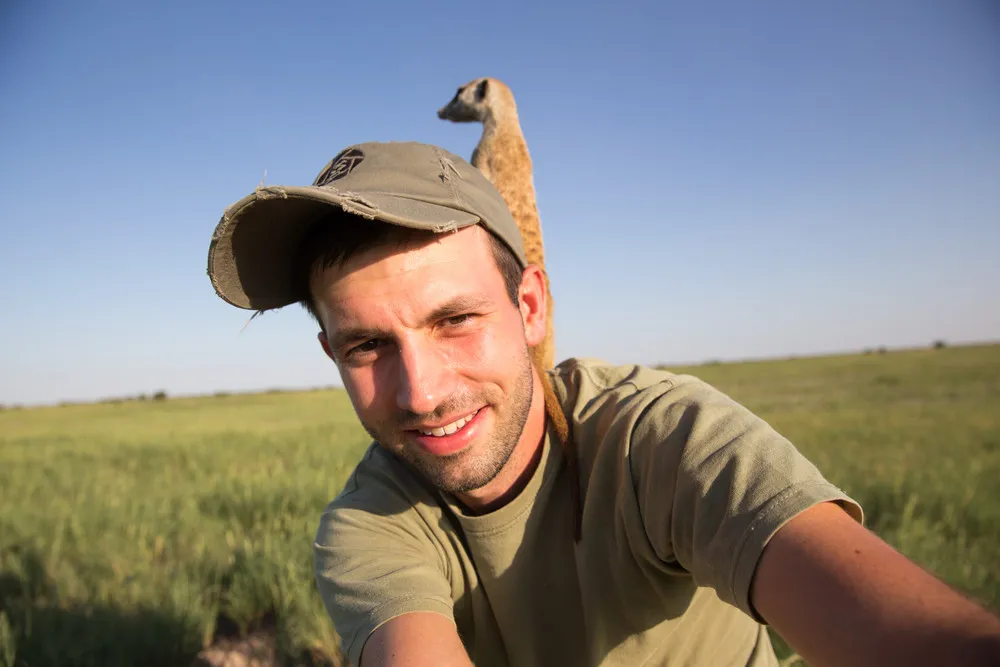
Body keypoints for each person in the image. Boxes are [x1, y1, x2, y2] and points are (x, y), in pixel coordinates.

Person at [206, 141, 1000, 667]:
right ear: (331, 356)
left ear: (531, 307)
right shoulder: (370, 523)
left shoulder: (659, 438)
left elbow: (911, 636)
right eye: (367, 346)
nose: (422, 392)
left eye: (454, 320)